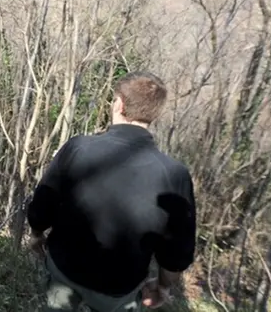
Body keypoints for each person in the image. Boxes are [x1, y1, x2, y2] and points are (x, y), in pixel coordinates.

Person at [26, 72, 197, 311]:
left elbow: (45, 200)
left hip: (65, 268)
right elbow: (178, 249)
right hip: (120, 287)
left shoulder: (78, 147)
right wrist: (163, 285)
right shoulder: (175, 174)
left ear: (119, 103)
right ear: (154, 114)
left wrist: (36, 233)